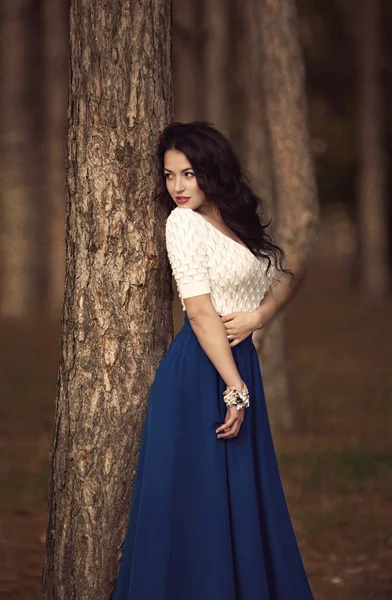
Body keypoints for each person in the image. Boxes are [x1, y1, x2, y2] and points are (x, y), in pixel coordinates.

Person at [112, 121, 314, 599]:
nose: (178, 187)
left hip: (237, 368)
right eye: (169, 176)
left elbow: (288, 272)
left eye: (188, 174)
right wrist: (234, 387)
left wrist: (258, 317)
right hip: (202, 372)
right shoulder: (181, 223)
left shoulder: (233, 218)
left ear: (212, 171)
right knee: (198, 501)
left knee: (240, 496)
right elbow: (200, 312)